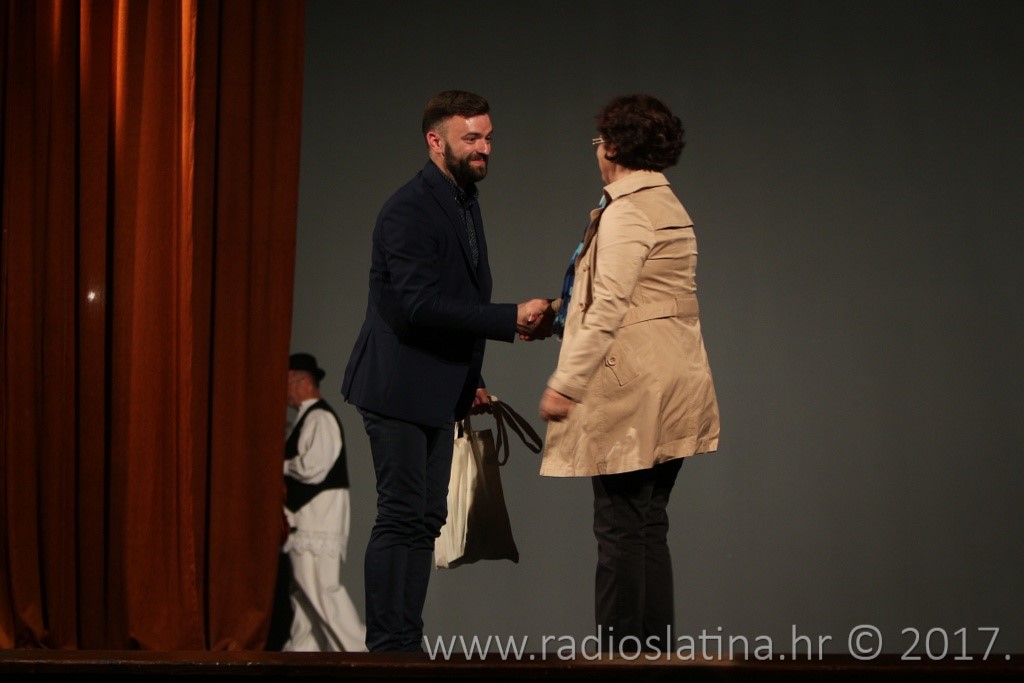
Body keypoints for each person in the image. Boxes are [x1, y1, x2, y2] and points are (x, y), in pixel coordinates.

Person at [342, 90, 551, 652]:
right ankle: (390, 648)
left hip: (437, 385)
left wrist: (471, 379)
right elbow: (420, 304)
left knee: (428, 516)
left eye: (488, 137)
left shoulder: (462, 200)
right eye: (472, 138)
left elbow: (461, 295)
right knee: (402, 514)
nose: (485, 148)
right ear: (436, 141)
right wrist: (509, 318)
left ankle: (405, 642)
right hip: (396, 386)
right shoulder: (409, 208)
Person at [537, 94, 720, 655]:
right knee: (646, 525)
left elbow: (610, 306)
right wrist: (557, 314)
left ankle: (619, 663)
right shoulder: (668, 203)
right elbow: (645, 295)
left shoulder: (627, 211)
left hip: (632, 388)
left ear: (613, 146)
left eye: (600, 141)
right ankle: (654, 658)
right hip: (674, 379)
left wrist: (565, 383)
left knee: (620, 529)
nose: (598, 151)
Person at [281, 352, 366, 652]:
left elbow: (313, 466)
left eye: (288, 383)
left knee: (320, 587)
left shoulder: (319, 417)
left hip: (317, 517)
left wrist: (280, 464)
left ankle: (358, 651)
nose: (286, 392)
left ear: (304, 382)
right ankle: (301, 653)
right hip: (308, 517)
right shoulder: (308, 418)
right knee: (304, 595)